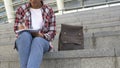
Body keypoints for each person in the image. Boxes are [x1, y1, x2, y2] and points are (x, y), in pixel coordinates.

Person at [14, 0, 56, 68]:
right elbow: (16, 29)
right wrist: (20, 29)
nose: (33, 0)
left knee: (37, 40)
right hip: (25, 41)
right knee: (25, 35)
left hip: (42, 41)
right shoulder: (21, 9)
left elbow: (52, 33)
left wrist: (41, 35)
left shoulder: (49, 10)